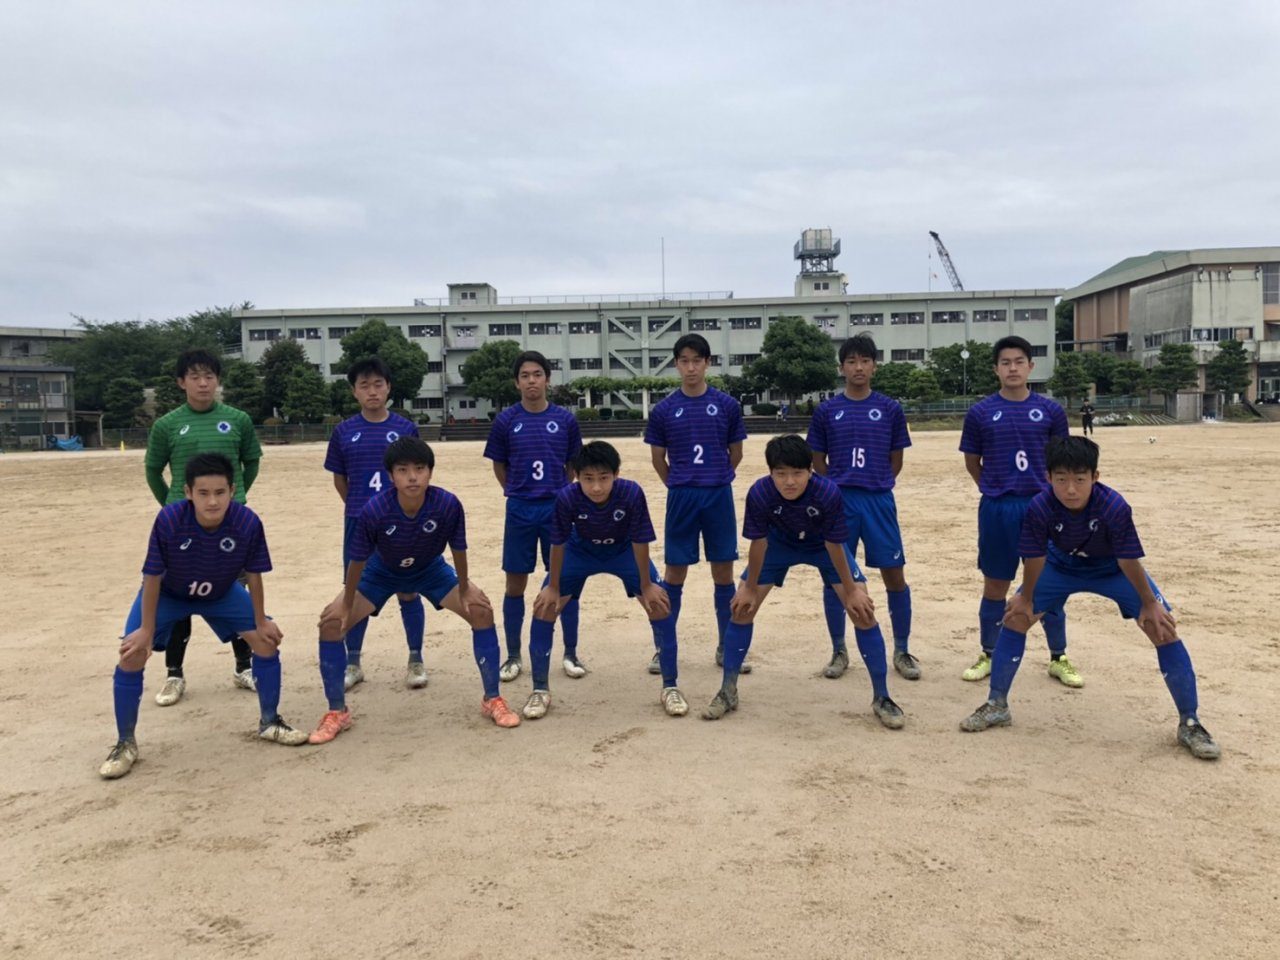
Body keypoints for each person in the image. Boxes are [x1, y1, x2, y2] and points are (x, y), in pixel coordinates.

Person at [959, 436, 1220, 760]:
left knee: (1162, 627)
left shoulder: (1114, 506)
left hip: (1111, 569)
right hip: (1060, 566)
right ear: (1048, 477)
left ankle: (1190, 723)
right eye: (1061, 479)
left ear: (1095, 477)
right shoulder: (1040, 506)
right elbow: (1036, 557)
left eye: (1080, 479)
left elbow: (1127, 559)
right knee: (1016, 617)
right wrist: (1026, 597)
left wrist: (1150, 603)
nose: (1071, 489)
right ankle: (997, 704)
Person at [99, 454, 308, 779]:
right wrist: (146, 630)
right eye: (204, 493)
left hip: (221, 591)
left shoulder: (247, 522)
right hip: (169, 593)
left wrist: (261, 620)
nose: (213, 501)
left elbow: (254, 574)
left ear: (232, 490)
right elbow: (152, 576)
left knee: (266, 642)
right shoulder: (169, 520)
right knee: (131, 654)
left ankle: (270, 722)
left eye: (220, 492)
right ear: (188, 492)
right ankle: (125, 743)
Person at [309, 437, 519, 743]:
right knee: (330, 624)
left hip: (429, 570)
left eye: (420, 469)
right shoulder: (374, 510)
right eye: (403, 470)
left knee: (481, 611)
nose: (412, 477)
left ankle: (492, 698)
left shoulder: (447, 504)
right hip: (381, 572)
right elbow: (358, 560)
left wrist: (465, 587)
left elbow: (458, 548)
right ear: (390, 475)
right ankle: (337, 711)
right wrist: (347, 600)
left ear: (430, 472)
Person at [701, 434, 904, 729]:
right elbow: (759, 543)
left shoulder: (828, 492)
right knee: (742, 608)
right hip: (778, 546)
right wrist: (749, 587)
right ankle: (727, 690)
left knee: (862, 611)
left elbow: (835, 544)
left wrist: (851, 591)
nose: (789, 482)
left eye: (797, 473)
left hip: (822, 546)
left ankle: (882, 697)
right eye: (780, 473)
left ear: (811, 470)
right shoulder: (760, 493)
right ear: (770, 473)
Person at [524, 441, 682, 719]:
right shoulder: (567, 497)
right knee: (544, 607)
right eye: (588, 479)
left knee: (660, 604)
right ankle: (539, 690)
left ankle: (670, 686)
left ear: (616, 474)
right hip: (580, 550)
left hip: (623, 550)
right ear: (576, 476)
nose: (596, 487)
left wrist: (646, 585)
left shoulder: (631, 493)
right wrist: (553, 586)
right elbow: (558, 542)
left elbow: (640, 538)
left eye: (603, 478)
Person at [958, 336, 1081, 687]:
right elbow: (972, 461)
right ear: (996, 369)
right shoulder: (980, 412)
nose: (1012, 368)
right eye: (1005, 362)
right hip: (999, 507)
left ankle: (1058, 657)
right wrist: (993, 487)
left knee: (1048, 583)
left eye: (1019, 362)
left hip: (1043, 507)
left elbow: (1062, 462)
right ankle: (989, 653)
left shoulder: (1050, 411)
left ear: (1030, 366)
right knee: (996, 583)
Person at [143, 349, 261, 707]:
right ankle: (174, 674)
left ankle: (244, 666)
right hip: (182, 529)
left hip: (230, 526)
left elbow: (251, 462)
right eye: (195, 377)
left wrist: (234, 500)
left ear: (218, 380)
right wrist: (172, 506)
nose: (203, 383)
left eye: (209, 376)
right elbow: (153, 470)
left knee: (236, 593)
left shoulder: (238, 420)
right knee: (178, 596)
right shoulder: (166, 425)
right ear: (182, 382)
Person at [808, 334, 920, 682]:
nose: (859, 367)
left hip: (878, 500)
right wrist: (833, 488)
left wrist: (876, 482)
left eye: (865, 361)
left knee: (894, 574)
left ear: (874, 366)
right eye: (852, 361)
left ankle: (901, 650)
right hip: (838, 502)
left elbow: (895, 459)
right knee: (836, 578)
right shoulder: (827, 410)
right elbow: (817, 459)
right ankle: (839, 650)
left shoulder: (889, 408)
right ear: (841, 368)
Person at [644, 333, 748, 674]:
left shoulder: (727, 405)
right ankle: (664, 647)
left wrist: (717, 476)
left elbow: (736, 452)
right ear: (676, 364)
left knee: (723, 571)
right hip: (682, 496)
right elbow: (658, 459)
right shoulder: (664, 409)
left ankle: (726, 645)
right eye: (684, 361)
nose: (691, 367)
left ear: (707, 363)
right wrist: (678, 483)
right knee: (675, 571)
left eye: (697, 361)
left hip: (717, 494)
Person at [323, 357, 426, 691]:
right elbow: (340, 479)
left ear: (388, 388)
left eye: (378, 384)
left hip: (403, 524)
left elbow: (418, 475)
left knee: (408, 589)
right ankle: (353, 662)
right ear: (354, 391)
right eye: (364, 385)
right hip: (359, 524)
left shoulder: (405, 428)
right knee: (355, 592)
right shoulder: (344, 431)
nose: (372, 391)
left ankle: (415, 658)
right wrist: (361, 510)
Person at [482, 351, 584, 683]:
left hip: (557, 507)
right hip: (520, 509)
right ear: (517, 382)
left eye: (537, 374)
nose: (531, 381)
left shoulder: (565, 420)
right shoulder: (506, 420)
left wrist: (561, 492)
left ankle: (570, 653)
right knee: (515, 583)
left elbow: (574, 464)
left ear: (547, 379)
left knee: (564, 581)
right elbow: (499, 464)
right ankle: (513, 655)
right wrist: (515, 490)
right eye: (525, 375)